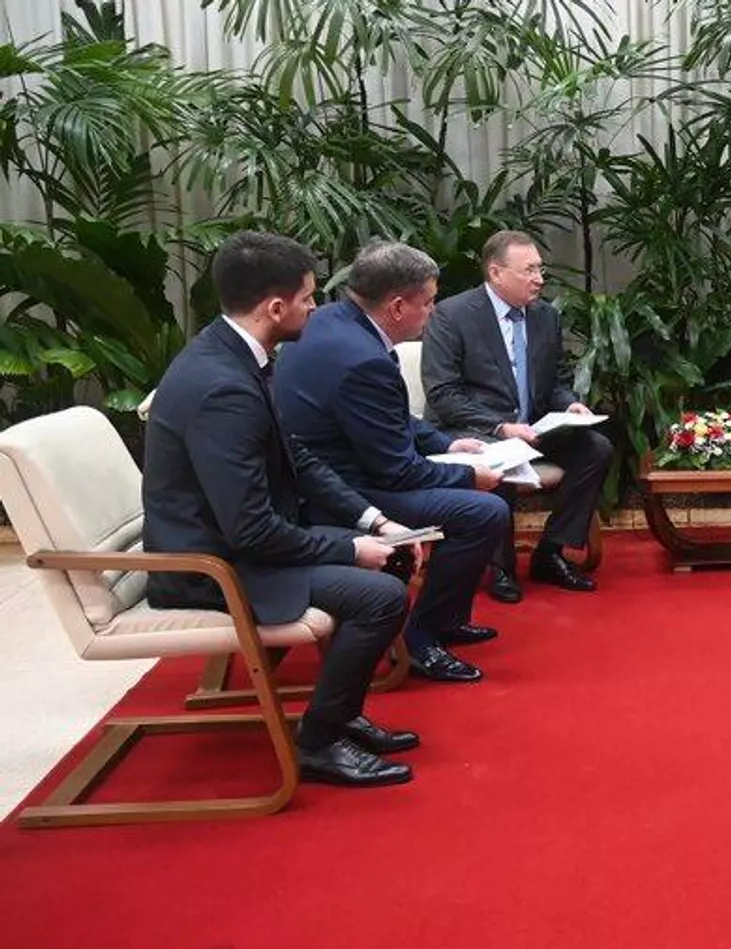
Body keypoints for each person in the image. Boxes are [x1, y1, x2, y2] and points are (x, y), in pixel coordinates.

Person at [142, 231, 420, 788]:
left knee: (387, 560)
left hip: (240, 539)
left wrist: (373, 521)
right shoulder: (223, 388)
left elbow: (298, 459)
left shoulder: (237, 355)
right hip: (210, 565)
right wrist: (351, 548)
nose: (316, 310)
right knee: (382, 594)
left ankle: (339, 715)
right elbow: (248, 529)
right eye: (310, 299)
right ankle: (318, 742)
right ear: (275, 308)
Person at [277, 240, 513, 683]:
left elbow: (388, 417)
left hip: (338, 468)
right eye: (430, 302)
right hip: (340, 491)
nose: (434, 311)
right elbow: (397, 471)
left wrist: (444, 442)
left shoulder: (333, 320)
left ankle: (445, 620)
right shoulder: (362, 359)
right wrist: (467, 475)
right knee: (484, 510)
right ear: (398, 306)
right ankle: (423, 639)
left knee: (478, 497)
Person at [420, 229, 611, 601]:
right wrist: (501, 426)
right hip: (476, 428)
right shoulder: (452, 315)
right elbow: (443, 394)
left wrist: (568, 403)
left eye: (540, 269)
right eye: (529, 270)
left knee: (596, 448)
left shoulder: (545, 317)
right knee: (502, 455)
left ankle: (551, 552)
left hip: (533, 427)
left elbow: (554, 382)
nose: (539, 279)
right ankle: (500, 567)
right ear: (495, 273)